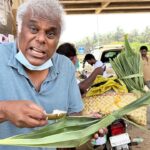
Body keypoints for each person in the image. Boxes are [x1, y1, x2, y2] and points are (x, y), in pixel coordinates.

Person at [0, 1, 106, 150]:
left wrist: (86, 123)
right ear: (19, 28)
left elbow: (73, 113)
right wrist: (4, 110)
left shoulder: (65, 67)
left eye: (50, 33)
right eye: (33, 28)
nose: (41, 39)